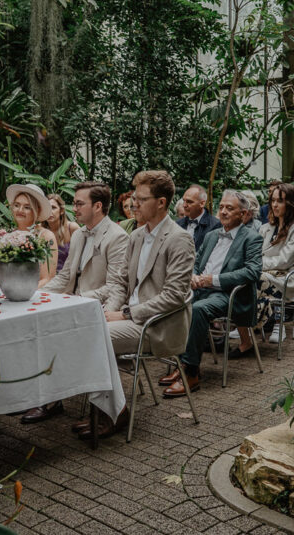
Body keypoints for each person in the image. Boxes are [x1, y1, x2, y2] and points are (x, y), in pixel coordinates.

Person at [19, 181, 129, 427]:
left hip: (94, 306)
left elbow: (115, 285)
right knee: (36, 325)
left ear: (98, 206)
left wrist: (92, 307)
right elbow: (65, 276)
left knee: (72, 335)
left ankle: (109, 410)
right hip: (72, 303)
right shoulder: (79, 233)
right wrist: (36, 294)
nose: (74, 207)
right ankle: (47, 398)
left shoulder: (118, 237)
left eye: (79, 203)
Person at [100, 171, 195, 438]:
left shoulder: (179, 239)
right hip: (129, 319)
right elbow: (120, 282)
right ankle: (107, 407)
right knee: (85, 329)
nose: (133, 205)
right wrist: (111, 310)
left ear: (162, 203)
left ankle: (113, 412)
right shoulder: (137, 236)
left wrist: (126, 313)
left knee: (95, 338)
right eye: (133, 198)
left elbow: (175, 295)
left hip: (159, 325)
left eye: (141, 199)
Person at [160, 191, 262, 397]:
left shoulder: (252, 238)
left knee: (197, 310)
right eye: (221, 207)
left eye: (229, 208)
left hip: (228, 293)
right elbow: (196, 263)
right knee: (174, 303)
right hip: (200, 288)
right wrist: (194, 277)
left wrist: (212, 280)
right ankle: (179, 364)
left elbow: (252, 271)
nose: (223, 211)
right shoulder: (211, 235)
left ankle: (191, 373)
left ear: (243, 214)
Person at [252, 183, 294, 347]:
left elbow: (285, 261)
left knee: (254, 276)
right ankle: (244, 324)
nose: (274, 205)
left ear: (290, 203)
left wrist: (257, 265)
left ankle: (277, 324)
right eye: (273, 200)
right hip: (265, 273)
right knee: (246, 276)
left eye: (280, 201)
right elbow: (254, 253)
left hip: (287, 278)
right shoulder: (266, 228)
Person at [5, 184, 58, 287]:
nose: (20, 210)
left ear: (37, 211)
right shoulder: (7, 237)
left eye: (27, 207)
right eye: (16, 205)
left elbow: (48, 278)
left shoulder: (46, 236)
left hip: (35, 294)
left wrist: (22, 293)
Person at [177, 184, 220, 251]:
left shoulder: (215, 225)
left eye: (189, 202)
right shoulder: (178, 224)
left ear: (202, 203)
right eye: (184, 201)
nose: (184, 205)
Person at [45, 193, 80, 274]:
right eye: (47, 208)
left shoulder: (72, 228)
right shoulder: (40, 230)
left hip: (70, 278)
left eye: (53, 208)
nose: (49, 212)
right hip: (46, 278)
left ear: (61, 211)